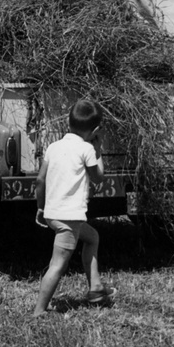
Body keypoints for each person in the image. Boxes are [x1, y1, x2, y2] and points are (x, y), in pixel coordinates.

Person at [32, 99, 116, 317]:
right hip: (69, 218)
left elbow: (40, 181)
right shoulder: (86, 149)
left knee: (92, 237)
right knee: (57, 265)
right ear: (96, 130)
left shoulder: (53, 147)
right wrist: (98, 151)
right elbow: (98, 177)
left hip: (53, 213)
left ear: (68, 123)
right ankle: (39, 311)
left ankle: (95, 288)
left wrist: (41, 207)